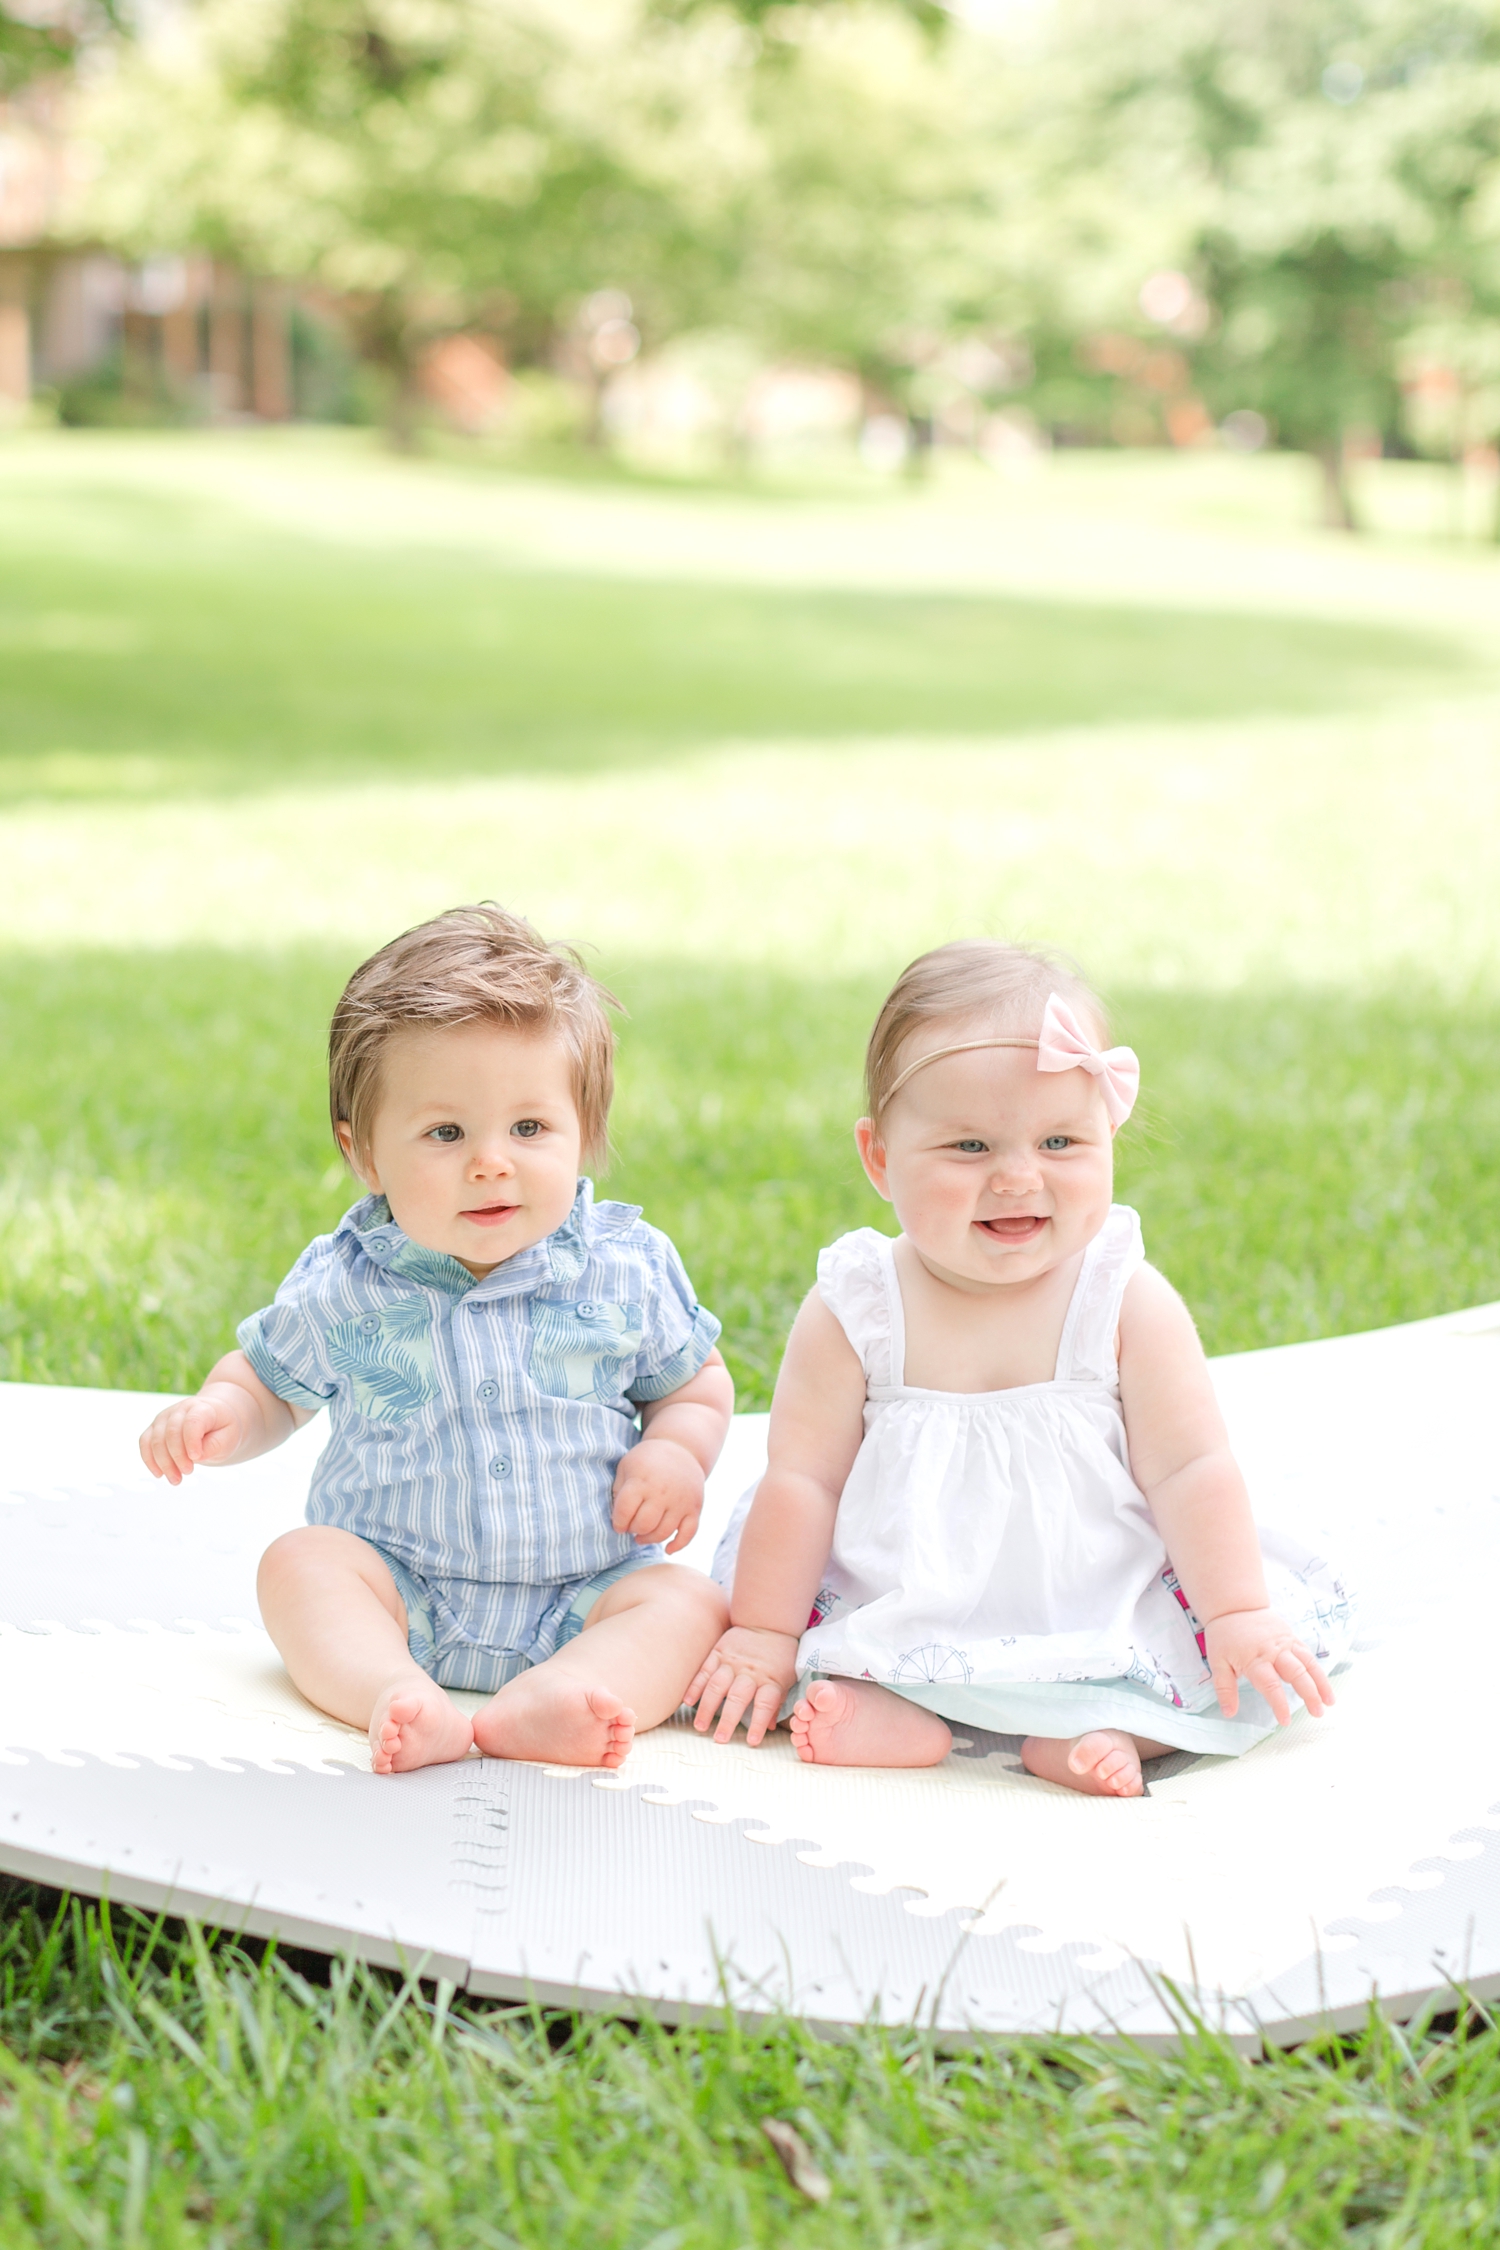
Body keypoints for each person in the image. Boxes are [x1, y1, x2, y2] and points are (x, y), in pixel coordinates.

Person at [689, 940, 1352, 1799]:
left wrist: (1233, 1612)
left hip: (1090, 1585)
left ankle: (1112, 1725)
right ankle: (884, 1709)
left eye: (1060, 1141)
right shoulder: (859, 1308)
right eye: (968, 1146)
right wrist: (764, 1635)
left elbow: (1190, 1467)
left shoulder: (1122, 1300)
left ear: (1108, 1135)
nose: (1016, 1177)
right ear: (881, 1160)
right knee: (818, 1646)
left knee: (1244, 1670)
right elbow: (803, 1482)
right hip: (907, 1587)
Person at [139, 905, 732, 1776]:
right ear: (365, 1153)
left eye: (529, 1129)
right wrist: (224, 1411)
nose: (492, 1162)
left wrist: (678, 1453)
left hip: (586, 1588)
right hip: (399, 1587)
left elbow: (694, 1384)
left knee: (689, 1603)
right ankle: (392, 1690)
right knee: (300, 1566)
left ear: (583, 1133)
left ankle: (563, 1694)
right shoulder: (347, 1281)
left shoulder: (626, 1271)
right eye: (445, 1133)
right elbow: (271, 1382)